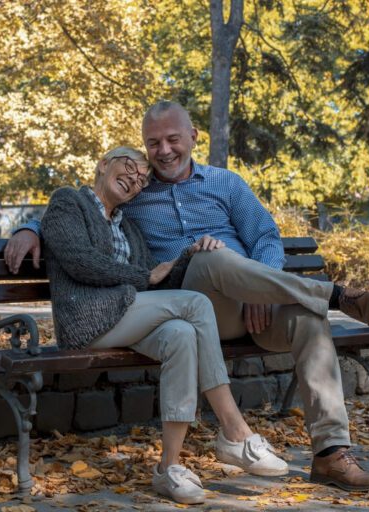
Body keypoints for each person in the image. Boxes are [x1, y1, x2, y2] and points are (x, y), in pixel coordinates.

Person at [5, 101, 369, 491]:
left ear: (193, 137)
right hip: (190, 302)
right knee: (209, 256)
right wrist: (29, 229)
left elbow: (266, 238)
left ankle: (331, 455)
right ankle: (335, 295)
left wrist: (260, 289)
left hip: (252, 306)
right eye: (153, 143)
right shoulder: (137, 191)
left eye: (173, 139)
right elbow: (83, 209)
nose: (163, 151)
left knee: (309, 319)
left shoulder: (226, 184)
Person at [40, 146, 287, 505]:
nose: (135, 180)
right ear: (104, 164)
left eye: (142, 179)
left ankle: (168, 467)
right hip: (85, 321)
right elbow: (81, 261)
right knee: (195, 304)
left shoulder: (128, 225)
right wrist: (142, 276)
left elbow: (157, 280)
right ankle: (235, 431)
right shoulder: (68, 202)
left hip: (124, 317)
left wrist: (192, 254)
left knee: (180, 335)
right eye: (129, 167)